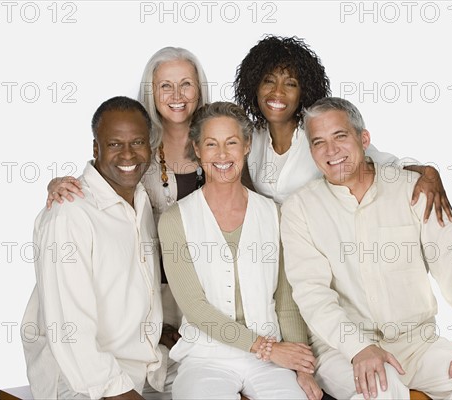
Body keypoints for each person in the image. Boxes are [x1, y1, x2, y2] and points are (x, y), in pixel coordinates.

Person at [280, 97, 452, 400]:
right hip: (342, 349)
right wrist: (359, 347)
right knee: (382, 387)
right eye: (318, 142)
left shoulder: (413, 189)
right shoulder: (300, 208)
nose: (331, 151)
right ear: (311, 152)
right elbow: (312, 295)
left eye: (340, 136)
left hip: (418, 345)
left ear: (363, 139)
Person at [158, 102, 323, 400]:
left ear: (247, 145)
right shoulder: (175, 220)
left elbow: (286, 299)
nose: (222, 155)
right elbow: (196, 308)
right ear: (197, 149)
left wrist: (302, 367)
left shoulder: (274, 214)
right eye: (211, 144)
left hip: (269, 361)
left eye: (231, 142)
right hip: (205, 357)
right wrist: (267, 348)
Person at [45, 47, 210, 329]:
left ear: (199, 89)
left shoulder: (217, 144)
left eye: (186, 85)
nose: (177, 96)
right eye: (166, 86)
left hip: (209, 292)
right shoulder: (136, 150)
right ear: (151, 91)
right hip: (149, 299)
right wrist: (55, 184)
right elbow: (100, 182)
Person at [21, 96, 175, 399]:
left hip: (145, 366)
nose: (128, 154)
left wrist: (158, 329)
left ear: (150, 147)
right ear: (96, 149)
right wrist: (117, 391)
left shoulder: (140, 199)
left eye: (137, 142)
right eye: (115, 144)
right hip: (79, 382)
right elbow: (70, 331)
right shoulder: (69, 214)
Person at [234, 35, 452, 226]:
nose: (278, 92)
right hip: (272, 253)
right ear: (254, 85)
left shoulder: (321, 131)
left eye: (290, 84)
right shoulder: (252, 138)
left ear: (303, 91)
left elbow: (384, 164)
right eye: (269, 81)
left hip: (322, 249)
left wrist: (428, 172)